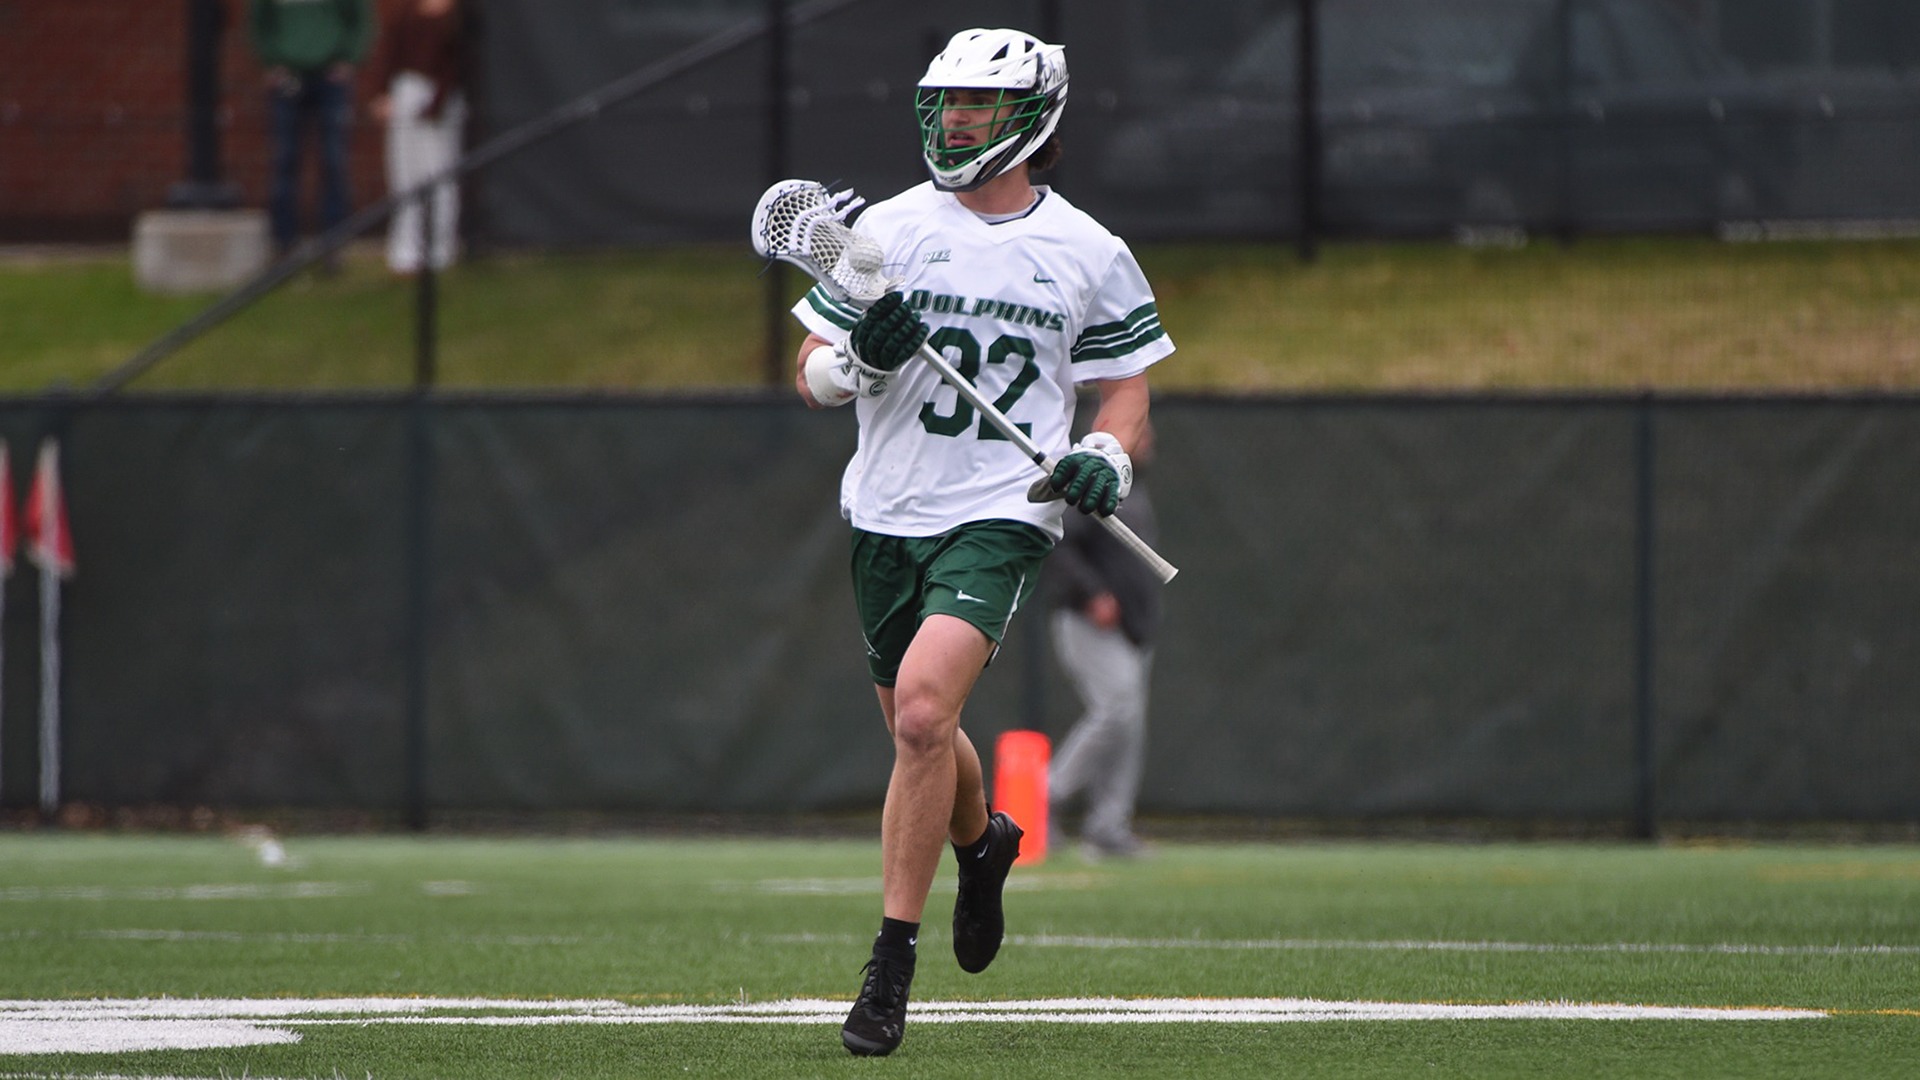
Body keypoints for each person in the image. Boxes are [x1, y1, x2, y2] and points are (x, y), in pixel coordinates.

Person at [786, 27, 1174, 1057]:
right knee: (921, 728)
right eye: (945, 102)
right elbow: (811, 373)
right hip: (885, 510)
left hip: (1003, 509)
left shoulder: (1088, 250)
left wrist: (1108, 454)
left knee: (920, 715)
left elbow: (1126, 387)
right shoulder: (889, 231)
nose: (955, 120)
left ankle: (888, 967)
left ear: (1034, 119)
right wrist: (856, 362)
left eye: (977, 105)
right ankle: (983, 839)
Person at [1046, 419, 1163, 860]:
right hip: (1091, 624)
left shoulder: (1136, 490)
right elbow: (1058, 547)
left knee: (1129, 724)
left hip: (1133, 630)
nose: (1149, 441)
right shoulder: (1092, 484)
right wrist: (1091, 593)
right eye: (1141, 432)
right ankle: (1044, 796)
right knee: (1117, 711)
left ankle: (1108, 825)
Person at [249, 0, 375, 261]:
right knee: (285, 159)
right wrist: (271, 62)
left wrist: (349, 60)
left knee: (334, 160)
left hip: (331, 79)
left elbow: (361, 20)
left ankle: (333, 244)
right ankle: (284, 244)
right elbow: (258, 22)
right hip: (288, 78)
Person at [369, 0, 473, 274]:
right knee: (404, 175)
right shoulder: (407, 11)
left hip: (440, 102)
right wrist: (383, 93)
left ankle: (440, 249)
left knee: (439, 175)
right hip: (406, 93)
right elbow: (390, 49)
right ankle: (405, 251)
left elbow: (458, 62)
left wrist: (435, 105)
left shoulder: (460, 15)